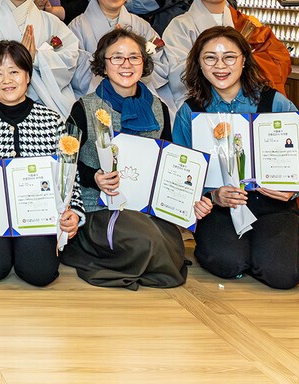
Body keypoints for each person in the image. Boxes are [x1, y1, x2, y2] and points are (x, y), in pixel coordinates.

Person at [171, 26, 299, 290]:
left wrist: (291, 187)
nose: (220, 66)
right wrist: (212, 195)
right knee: (227, 264)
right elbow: (183, 171)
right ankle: (246, 251)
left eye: (229, 57)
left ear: (244, 59)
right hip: (221, 207)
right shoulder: (190, 111)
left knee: (282, 276)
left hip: (272, 205)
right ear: (199, 64)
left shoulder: (274, 102)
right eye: (210, 58)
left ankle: (265, 251)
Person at [61, 29, 208, 289]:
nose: (126, 65)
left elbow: (169, 165)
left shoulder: (158, 107)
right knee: (148, 241)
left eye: (134, 58)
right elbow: (64, 162)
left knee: (171, 244)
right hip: (100, 210)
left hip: (146, 209)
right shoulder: (85, 107)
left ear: (144, 63)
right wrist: (94, 177)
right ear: (103, 66)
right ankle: (88, 253)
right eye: (116, 58)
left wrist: (188, 196)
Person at [0, 41, 81, 285]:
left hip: (36, 216)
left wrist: (73, 212)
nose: (6, 80)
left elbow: (69, 175)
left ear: (28, 76)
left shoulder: (51, 120)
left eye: (14, 72)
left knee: (40, 274)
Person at [162, 0, 291, 112]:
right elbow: (177, 71)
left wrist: (248, 63)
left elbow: (277, 58)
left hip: (246, 101)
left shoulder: (245, 23)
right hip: (202, 104)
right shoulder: (180, 25)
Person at [68, 0, 169, 99]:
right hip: (96, 98)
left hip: (138, 95)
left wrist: (133, 70)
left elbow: (160, 64)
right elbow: (73, 73)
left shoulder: (141, 25)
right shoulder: (77, 27)